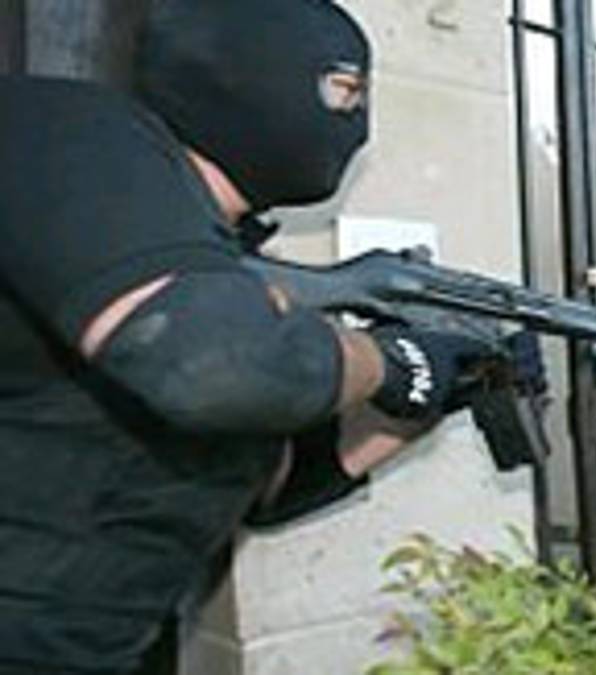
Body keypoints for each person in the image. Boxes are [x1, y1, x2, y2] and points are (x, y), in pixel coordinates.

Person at [0, 0, 520, 672]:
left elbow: (268, 487)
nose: (358, 120)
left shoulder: (218, 261)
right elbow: (216, 370)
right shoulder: (68, 132)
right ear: (240, 66)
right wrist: (388, 361)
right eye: (343, 89)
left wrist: (430, 392)